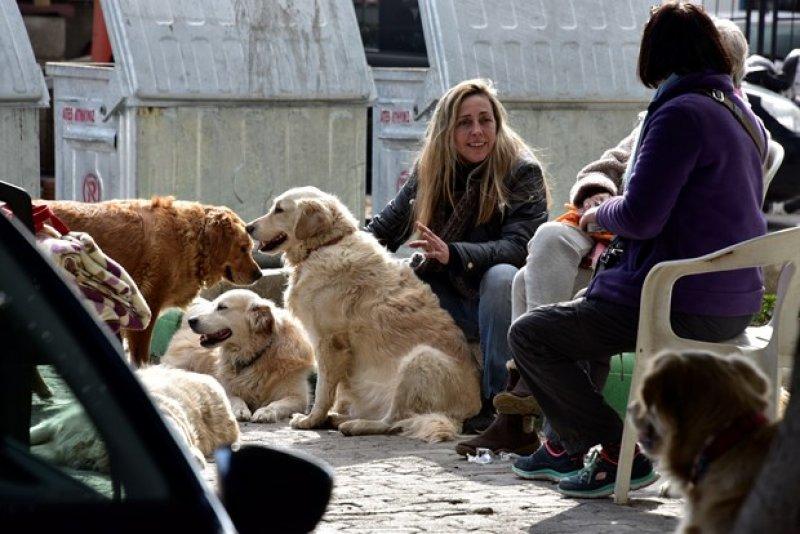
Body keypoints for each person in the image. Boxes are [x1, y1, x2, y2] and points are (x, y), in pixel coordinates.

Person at [456, 12, 758, 459]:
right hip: (731, 300)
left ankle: (612, 450)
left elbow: (640, 217)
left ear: (656, 54)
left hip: (678, 299)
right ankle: (557, 441)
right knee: (568, 305)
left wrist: (599, 218)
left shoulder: (681, 114)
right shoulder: (739, 116)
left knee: (531, 335)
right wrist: (601, 198)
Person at [367, 78, 549, 432]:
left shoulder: (521, 171)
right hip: (449, 295)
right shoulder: (431, 169)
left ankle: (502, 406)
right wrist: (338, 252)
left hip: (500, 302)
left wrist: (453, 253)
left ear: (498, 123)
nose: (477, 131)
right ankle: (380, 390)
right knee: (397, 281)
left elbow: (518, 247)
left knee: (501, 278)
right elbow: (381, 232)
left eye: (485, 120)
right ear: (447, 130)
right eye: (465, 123)